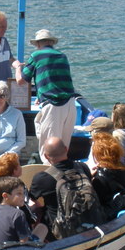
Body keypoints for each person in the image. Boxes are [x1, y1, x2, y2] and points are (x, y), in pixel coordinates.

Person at [15, 29, 77, 165]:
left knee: (49, 152)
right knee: (62, 150)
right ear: (51, 42)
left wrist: (17, 67)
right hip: (70, 105)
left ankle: (49, 181)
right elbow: (54, 79)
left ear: (38, 44)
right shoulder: (62, 56)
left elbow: (21, 81)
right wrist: (40, 94)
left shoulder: (36, 56)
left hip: (54, 106)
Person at [28, 137, 95, 234]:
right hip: (88, 221)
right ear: (66, 149)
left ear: (46, 156)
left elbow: (33, 199)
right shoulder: (83, 168)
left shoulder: (41, 178)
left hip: (59, 229)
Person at [0, 177, 47, 245]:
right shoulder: (18, 214)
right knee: (42, 227)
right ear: (5, 196)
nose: (23, 196)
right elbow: (24, 243)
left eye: (23, 193)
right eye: (19, 193)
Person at [90, 132, 125, 220]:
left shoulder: (99, 179)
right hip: (121, 206)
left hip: (106, 215)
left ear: (98, 154)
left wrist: (89, 178)